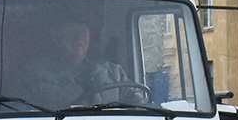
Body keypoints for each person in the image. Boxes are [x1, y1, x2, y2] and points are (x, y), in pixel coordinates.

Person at [19, 20, 148, 110]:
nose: (80, 38)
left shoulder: (113, 72)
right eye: (73, 31)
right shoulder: (33, 75)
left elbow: (136, 103)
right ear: (56, 37)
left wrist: (139, 102)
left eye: (84, 32)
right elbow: (17, 111)